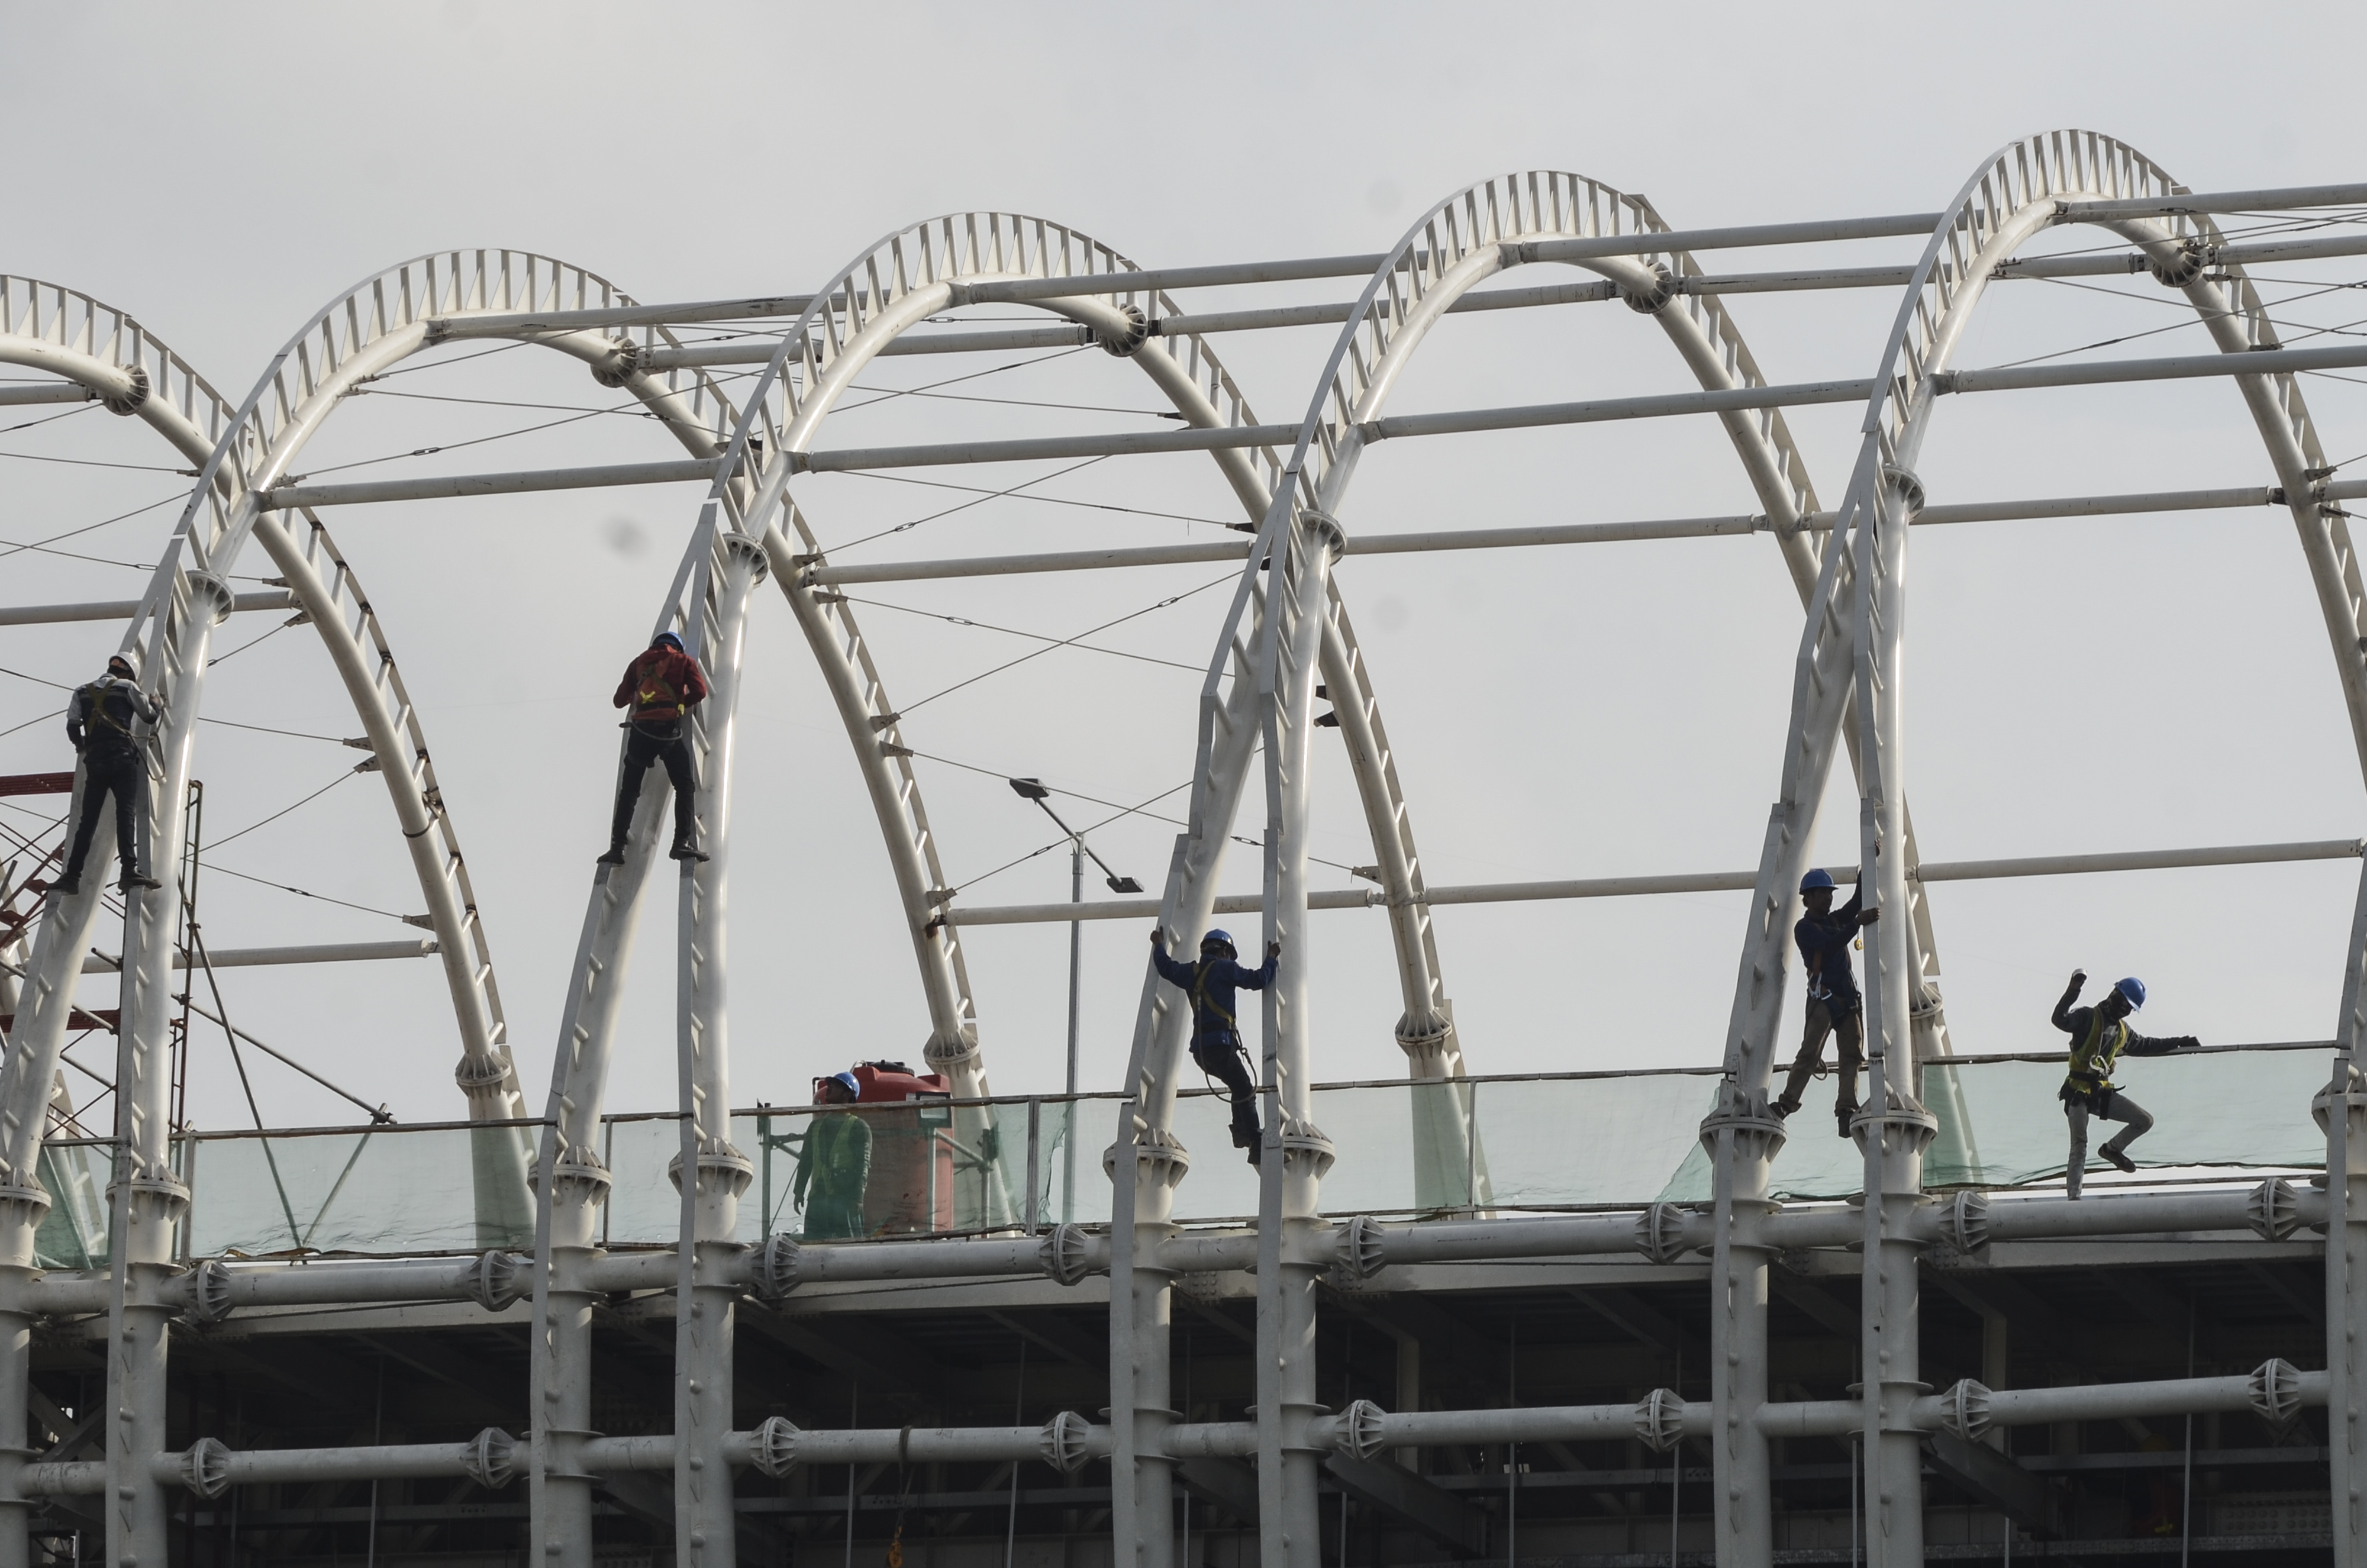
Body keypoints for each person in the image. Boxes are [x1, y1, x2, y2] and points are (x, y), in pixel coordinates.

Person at [2052, 970, 2199, 1199]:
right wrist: (2073, 990)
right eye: (2124, 1004)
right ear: (2114, 995)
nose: (2125, 1011)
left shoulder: (2122, 1031)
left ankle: (2112, 1149)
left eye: (2129, 1008)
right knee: (2079, 1145)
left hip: (2100, 1092)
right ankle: (2074, 1198)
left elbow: (2146, 1044)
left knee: (2144, 1120)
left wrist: (2179, 1043)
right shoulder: (2087, 1017)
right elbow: (2059, 1020)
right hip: (2078, 1092)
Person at [1149, 927, 1281, 1164]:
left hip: (1201, 1053)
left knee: (1237, 1085)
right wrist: (1271, 958)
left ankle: (1242, 1133)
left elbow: (1166, 967)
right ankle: (1255, 1142)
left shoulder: (1190, 972)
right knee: (1245, 1088)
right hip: (1221, 1045)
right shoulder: (1225, 968)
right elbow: (1259, 980)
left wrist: (1158, 944)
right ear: (1224, 951)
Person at [1774, 867, 1880, 1138]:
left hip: (1847, 998)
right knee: (1810, 1053)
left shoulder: (1835, 920)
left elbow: (1856, 902)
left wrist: (1866, 866)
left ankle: (1846, 1110)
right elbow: (1831, 944)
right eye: (1821, 893)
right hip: (1825, 999)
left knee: (1852, 1056)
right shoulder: (1805, 928)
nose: (1827, 898)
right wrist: (1857, 922)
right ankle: (1786, 1103)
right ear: (1807, 898)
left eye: (1829, 893)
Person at [598, 630, 710, 866]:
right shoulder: (683, 661)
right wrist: (679, 704)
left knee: (629, 792)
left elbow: (620, 701)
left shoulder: (639, 663)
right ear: (677, 647)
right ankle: (682, 842)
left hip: (641, 732)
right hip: (667, 731)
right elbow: (700, 692)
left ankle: (617, 848)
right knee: (685, 786)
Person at [56, 652, 162, 896]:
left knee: (87, 822)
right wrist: (156, 703)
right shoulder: (127, 687)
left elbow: (72, 726)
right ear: (128, 673)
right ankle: (128, 872)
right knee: (125, 814)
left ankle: (71, 876)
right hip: (122, 760)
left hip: (96, 763)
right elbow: (149, 716)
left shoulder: (82, 691)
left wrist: (82, 743)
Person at [793, 1072, 872, 1239]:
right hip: (818, 1199)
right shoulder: (815, 1127)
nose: (829, 1089)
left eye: (836, 1086)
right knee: (813, 1248)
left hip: (845, 1200)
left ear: (848, 1094)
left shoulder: (859, 1127)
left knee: (849, 1250)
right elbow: (806, 1161)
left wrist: (858, 1198)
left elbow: (862, 1166)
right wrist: (798, 1191)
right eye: (830, 1085)